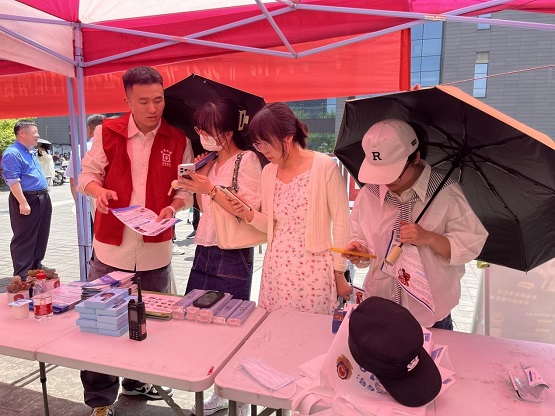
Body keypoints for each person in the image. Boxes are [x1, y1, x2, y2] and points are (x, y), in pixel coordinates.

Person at [77, 66, 194, 416]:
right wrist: (98, 192)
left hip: (156, 251)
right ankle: (100, 400)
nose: (153, 108)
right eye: (143, 101)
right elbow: (86, 175)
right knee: (100, 324)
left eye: (158, 99)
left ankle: (137, 380)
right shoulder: (107, 132)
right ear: (127, 101)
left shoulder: (178, 139)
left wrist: (174, 206)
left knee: (151, 324)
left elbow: (186, 189)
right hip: (112, 248)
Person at [342, 119, 488, 330]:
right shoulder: (369, 194)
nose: (386, 181)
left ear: (416, 157)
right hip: (381, 303)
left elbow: (469, 245)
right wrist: (360, 252)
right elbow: (360, 237)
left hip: (430, 314)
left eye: (394, 173)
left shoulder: (445, 193)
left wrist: (429, 238)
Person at [176, 98, 262, 416]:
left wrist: (209, 186)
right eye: (199, 130)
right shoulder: (211, 163)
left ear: (227, 130)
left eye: (207, 130)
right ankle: (217, 390)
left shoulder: (246, 160)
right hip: (205, 247)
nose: (202, 135)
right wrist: (200, 178)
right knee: (199, 320)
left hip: (232, 251)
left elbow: (247, 208)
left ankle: (237, 396)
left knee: (230, 325)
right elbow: (205, 209)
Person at [233, 102, 352, 315]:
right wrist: (246, 212)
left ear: (287, 137)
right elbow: (270, 224)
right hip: (276, 268)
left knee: (309, 330)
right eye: (258, 145)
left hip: (313, 270)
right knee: (273, 329)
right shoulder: (268, 172)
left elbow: (342, 223)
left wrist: (339, 272)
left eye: (266, 143)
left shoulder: (324, 167)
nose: (262, 150)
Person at [1, 120, 52, 279]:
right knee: (24, 236)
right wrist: (23, 202)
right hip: (27, 198)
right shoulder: (12, 153)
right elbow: (12, 180)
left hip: (42, 196)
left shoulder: (29, 151)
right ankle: (23, 271)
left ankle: (36, 265)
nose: (37, 135)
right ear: (22, 133)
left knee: (41, 234)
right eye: (34, 132)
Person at [67, 114, 106, 201]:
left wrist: (77, 202)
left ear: (88, 129)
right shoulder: (117, 145)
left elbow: (73, 181)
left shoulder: (79, 149)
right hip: (112, 195)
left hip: (88, 196)